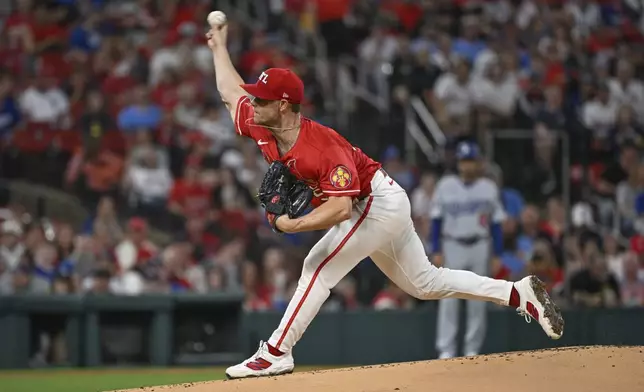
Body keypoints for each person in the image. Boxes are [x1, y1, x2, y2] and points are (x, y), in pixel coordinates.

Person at [205, 20, 564, 380]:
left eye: (261, 98)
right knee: (425, 284)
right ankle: (517, 294)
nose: (252, 101)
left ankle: (276, 353)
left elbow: (342, 208)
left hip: (375, 201)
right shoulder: (260, 122)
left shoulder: (320, 147)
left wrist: (291, 224)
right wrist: (219, 46)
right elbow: (229, 93)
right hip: (373, 203)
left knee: (317, 265)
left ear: (284, 106)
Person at [432, 141, 505, 359]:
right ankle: (447, 349)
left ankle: (472, 349)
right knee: (449, 298)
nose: (467, 165)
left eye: (471, 160)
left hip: (480, 244)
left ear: (479, 163)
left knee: (477, 299)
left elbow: (497, 223)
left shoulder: (489, 188)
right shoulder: (445, 186)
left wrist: (497, 253)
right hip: (452, 244)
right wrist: (436, 248)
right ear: (458, 163)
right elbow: (436, 219)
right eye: (464, 161)